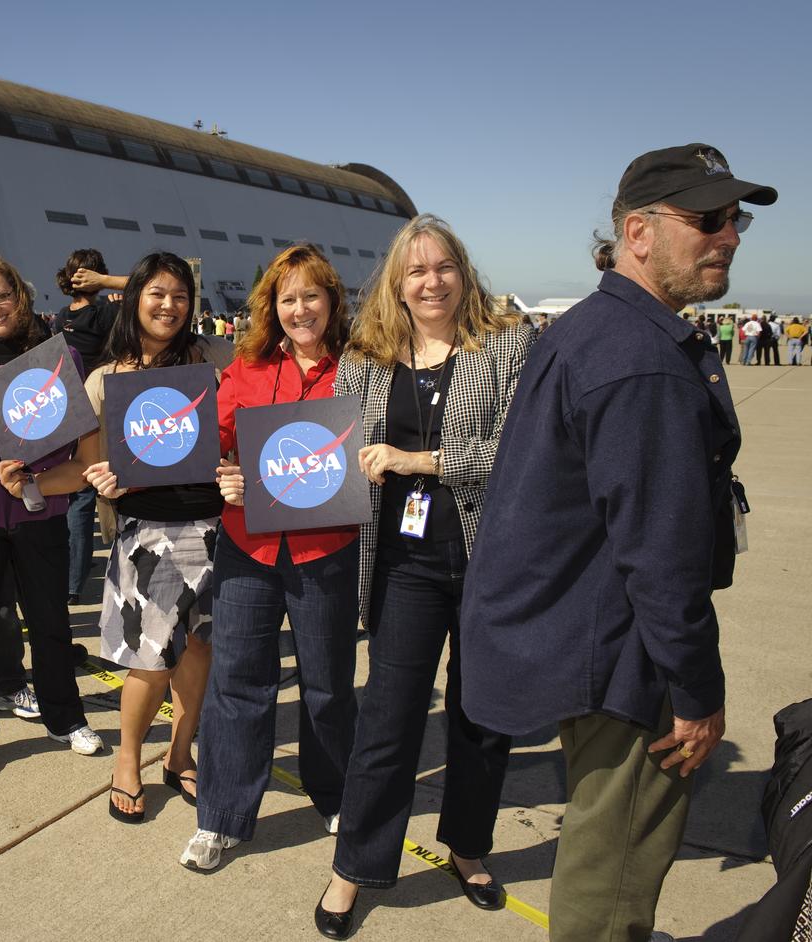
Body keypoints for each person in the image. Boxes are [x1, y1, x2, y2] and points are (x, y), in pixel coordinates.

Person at [461, 143, 776, 942]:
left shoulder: (593, 330)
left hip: (584, 634)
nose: (730, 235)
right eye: (706, 219)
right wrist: (697, 692)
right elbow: (661, 557)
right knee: (615, 870)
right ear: (638, 231)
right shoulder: (641, 363)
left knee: (601, 845)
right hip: (624, 656)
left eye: (734, 219)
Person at [313, 216, 532, 936]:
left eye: (443, 268)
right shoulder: (365, 357)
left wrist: (426, 462)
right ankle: (356, 865)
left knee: (481, 714)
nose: (431, 281)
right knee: (387, 715)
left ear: (462, 273)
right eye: (416, 271)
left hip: (488, 557)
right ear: (396, 285)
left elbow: (527, 447)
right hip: (403, 563)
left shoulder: (505, 344)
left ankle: (468, 847)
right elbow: (332, 453)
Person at [179, 244, 359, 872]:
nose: (300, 309)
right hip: (248, 548)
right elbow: (211, 442)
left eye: (312, 296)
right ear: (271, 307)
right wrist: (223, 473)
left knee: (329, 684)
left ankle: (335, 793)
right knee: (238, 680)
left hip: (326, 549)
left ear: (332, 301)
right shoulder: (248, 371)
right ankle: (223, 816)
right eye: (288, 299)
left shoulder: (359, 370)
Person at [0, 252, 102, 775]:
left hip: (38, 512)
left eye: (1, 296)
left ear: (21, 297)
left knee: (51, 622)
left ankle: (65, 716)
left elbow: (82, 451)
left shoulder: (61, 361)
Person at [75, 253, 223, 822]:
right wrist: (103, 481)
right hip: (150, 535)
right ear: (134, 298)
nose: (169, 305)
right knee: (151, 658)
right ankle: (128, 761)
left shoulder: (214, 359)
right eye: (156, 293)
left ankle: (180, 753)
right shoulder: (106, 381)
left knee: (201, 649)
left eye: (181, 295)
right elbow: (91, 466)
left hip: (214, 529)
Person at [54, 247, 121, 604]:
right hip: (84, 406)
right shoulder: (86, 313)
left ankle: (72, 579)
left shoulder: (84, 313)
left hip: (80, 405)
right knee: (83, 496)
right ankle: (73, 581)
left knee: (79, 493)